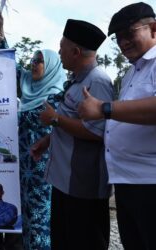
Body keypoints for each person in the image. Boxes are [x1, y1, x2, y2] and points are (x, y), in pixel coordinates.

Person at [78, 2, 156, 249]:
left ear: (154, 28)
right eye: (118, 38)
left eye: (129, 34)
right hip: (128, 181)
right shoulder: (132, 72)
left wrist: (104, 108)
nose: (123, 43)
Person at [31, 19, 114, 250]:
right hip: (64, 180)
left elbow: (98, 133)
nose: (59, 52)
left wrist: (55, 119)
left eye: (62, 47)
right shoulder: (77, 80)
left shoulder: (97, 81)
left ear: (76, 52)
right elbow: (74, 124)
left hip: (83, 186)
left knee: (84, 242)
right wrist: (47, 141)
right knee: (64, 241)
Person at [0, 11, 66, 250]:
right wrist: (0, 32)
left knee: (41, 217)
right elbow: (8, 65)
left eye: (39, 61)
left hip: (44, 167)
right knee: (26, 216)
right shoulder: (28, 89)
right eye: (33, 60)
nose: (34, 65)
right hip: (24, 166)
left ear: (52, 66)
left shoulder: (57, 96)